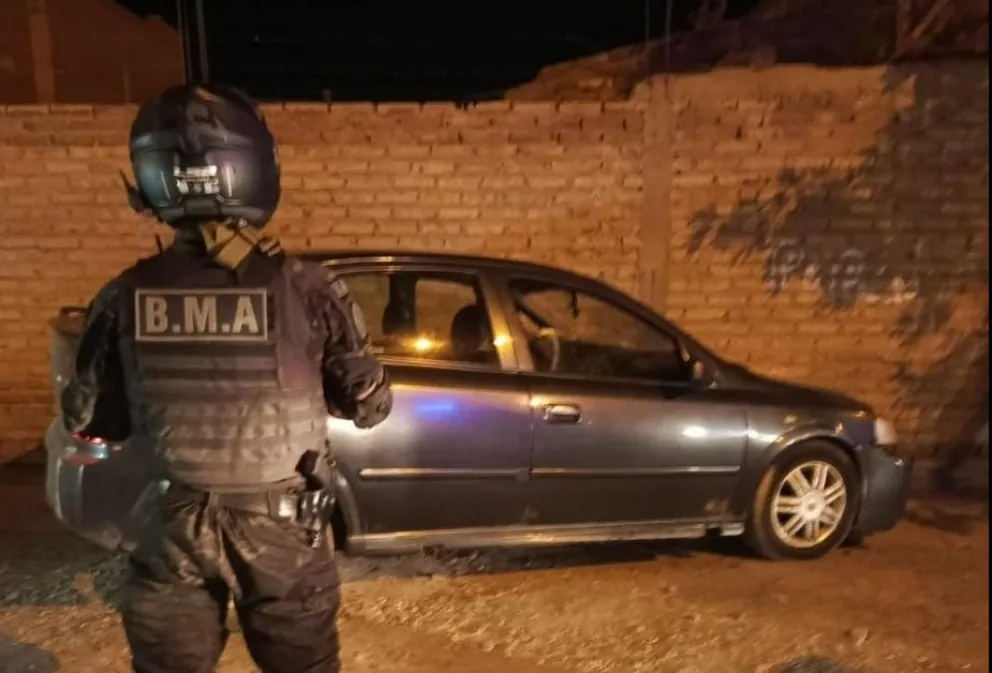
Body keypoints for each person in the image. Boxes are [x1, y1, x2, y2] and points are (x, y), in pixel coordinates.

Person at [59, 83, 393, 673]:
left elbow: (90, 418)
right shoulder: (307, 288)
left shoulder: (123, 294)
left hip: (173, 522)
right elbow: (369, 406)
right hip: (284, 529)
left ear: (152, 180)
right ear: (256, 171)